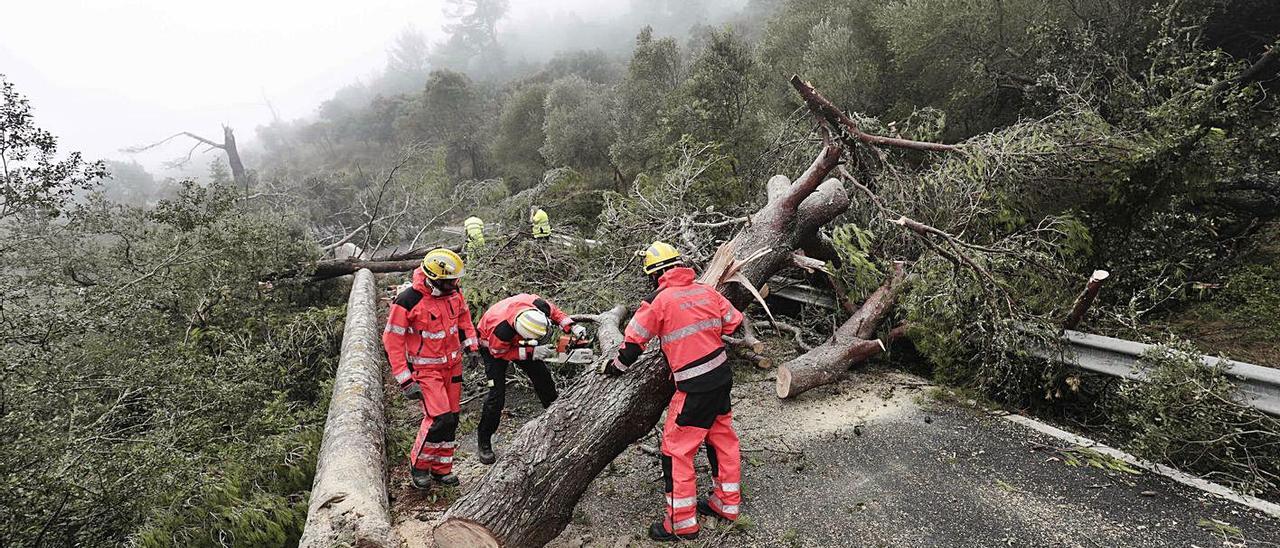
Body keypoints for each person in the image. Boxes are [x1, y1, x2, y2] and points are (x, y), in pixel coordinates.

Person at [602, 241, 744, 542]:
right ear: (680, 265)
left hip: (694, 388)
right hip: (721, 378)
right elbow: (734, 323)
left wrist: (614, 367)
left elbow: (631, 346)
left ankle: (681, 524)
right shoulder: (706, 290)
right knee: (722, 439)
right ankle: (726, 504)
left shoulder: (658, 301)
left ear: (654, 275)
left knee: (676, 451)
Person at [382, 248, 479, 489]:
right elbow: (392, 341)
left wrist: (472, 347)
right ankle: (419, 467)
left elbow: (463, 320)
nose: (455, 284)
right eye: (450, 281)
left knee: (452, 419)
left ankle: (441, 469)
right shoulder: (408, 300)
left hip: (452, 367)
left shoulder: (454, 293)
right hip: (426, 371)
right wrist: (405, 380)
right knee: (438, 418)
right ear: (434, 278)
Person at [474, 293, 586, 464]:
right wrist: (531, 353)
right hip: (492, 347)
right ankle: (484, 441)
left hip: (520, 337)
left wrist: (572, 326)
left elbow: (556, 313)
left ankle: (559, 419)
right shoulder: (501, 331)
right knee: (496, 396)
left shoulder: (538, 305)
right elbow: (499, 352)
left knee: (543, 378)